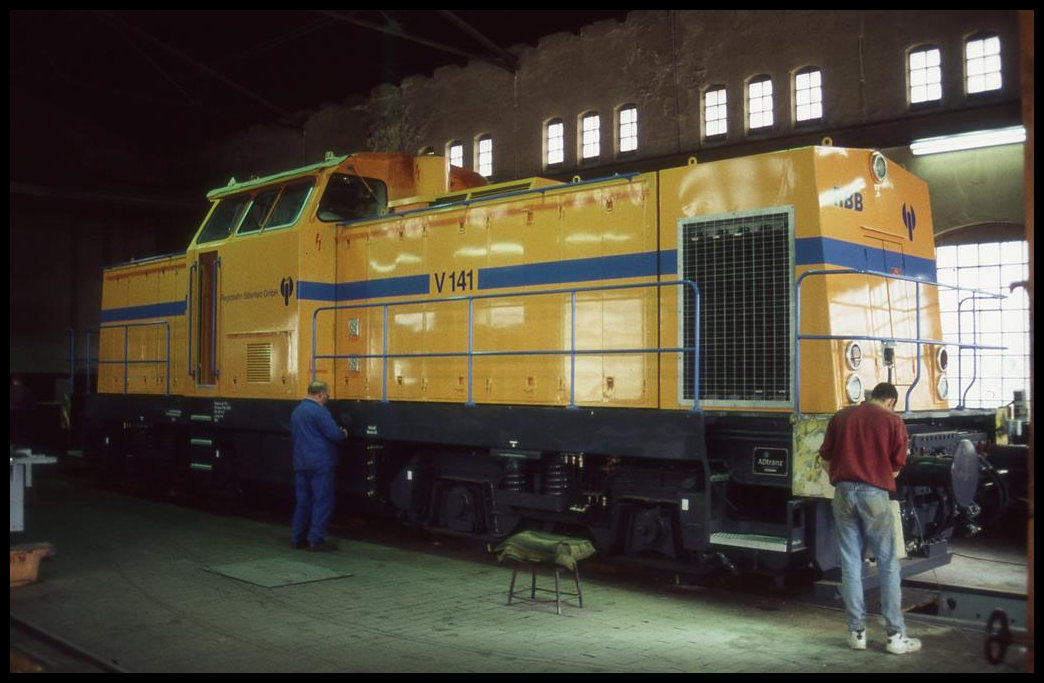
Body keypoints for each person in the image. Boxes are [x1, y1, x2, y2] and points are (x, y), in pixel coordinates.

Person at [819, 382, 922, 655]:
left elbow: (824, 457)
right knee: (887, 563)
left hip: (842, 492)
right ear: (890, 401)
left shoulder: (841, 416)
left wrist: (839, 479)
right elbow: (897, 466)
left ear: (871, 397)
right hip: (875, 494)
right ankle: (895, 636)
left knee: (850, 562)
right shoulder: (893, 421)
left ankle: (856, 634)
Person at [290, 381, 348, 551]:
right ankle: (316, 539)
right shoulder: (319, 411)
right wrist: (344, 433)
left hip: (301, 463)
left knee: (302, 502)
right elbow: (334, 435)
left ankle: (297, 538)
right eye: (327, 396)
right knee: (322, 501)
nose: (327, 400)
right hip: (320, 464)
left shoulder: (297, 411)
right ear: (320, 394)